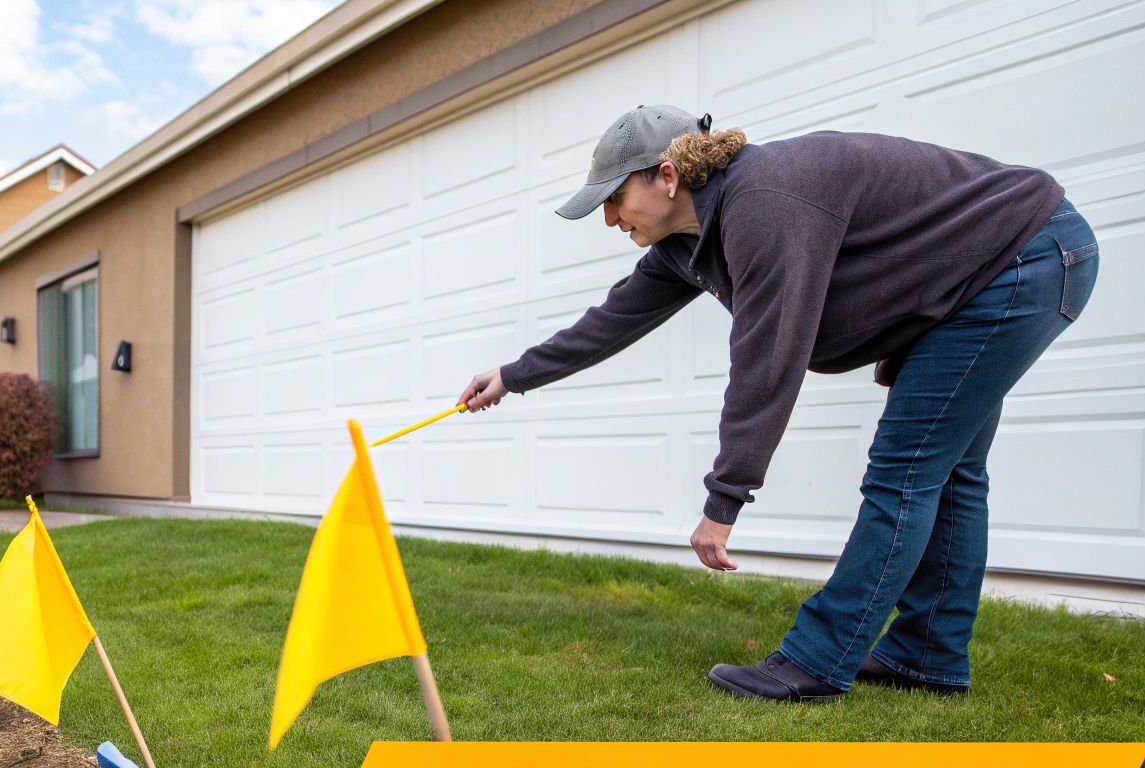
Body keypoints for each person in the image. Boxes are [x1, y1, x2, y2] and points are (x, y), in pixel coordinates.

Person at [457, 105, 1097, 702]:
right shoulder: (685, 244)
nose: (609, 219)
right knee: (947, 471)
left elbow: (767, 362)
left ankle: (818, 661)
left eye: (615, 199)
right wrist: (513, 376)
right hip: (989, 273)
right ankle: (926, 655)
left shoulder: (765, 201)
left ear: (668, 177)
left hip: (1023, 260)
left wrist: (723, 501)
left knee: (906, 469)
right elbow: (612, 320)